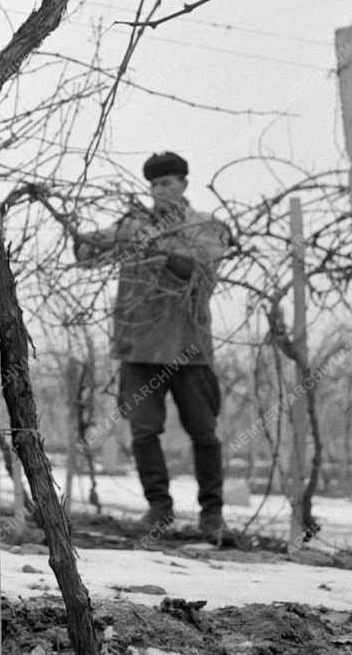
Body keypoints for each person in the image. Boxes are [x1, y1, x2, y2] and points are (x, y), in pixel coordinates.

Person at [71, 151, 231, 542]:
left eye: (168, 183)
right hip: (138, 344)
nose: (160, 191)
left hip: (188, 343)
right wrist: (74, 228)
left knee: (203, 431)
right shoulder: (132, 225)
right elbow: (88, 254)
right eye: (155, 185)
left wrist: (159, 251)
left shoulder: (205, 226)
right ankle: (159, 508)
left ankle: (212, 515)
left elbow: (200, 267)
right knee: (144, 431)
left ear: (184, 184)